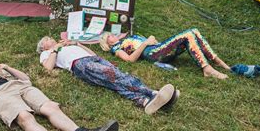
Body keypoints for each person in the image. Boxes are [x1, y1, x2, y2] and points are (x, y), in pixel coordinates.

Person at [37, 37, 179, 114]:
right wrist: (54, 50)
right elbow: (48, 67)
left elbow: (92, 54)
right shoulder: (46, 53)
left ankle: (144, 101)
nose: (52, 38)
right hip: (80, 64)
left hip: (94, 59)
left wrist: (77, 44)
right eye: (48, 39)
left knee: (117, 77)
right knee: (114, 76)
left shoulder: (66, 46)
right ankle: (152, 93)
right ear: (44, 46)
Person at [99, 28, 230, 79]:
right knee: (189, 34)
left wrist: (155, 42)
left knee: (194, 31)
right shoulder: (117, 49)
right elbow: (129, 60)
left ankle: (217, 61)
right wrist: (145, 43)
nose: (112, 35)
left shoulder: (123, 40)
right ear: (108, 43)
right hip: (152, 53)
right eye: (109, 36)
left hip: (158, 48)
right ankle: (207, 68)